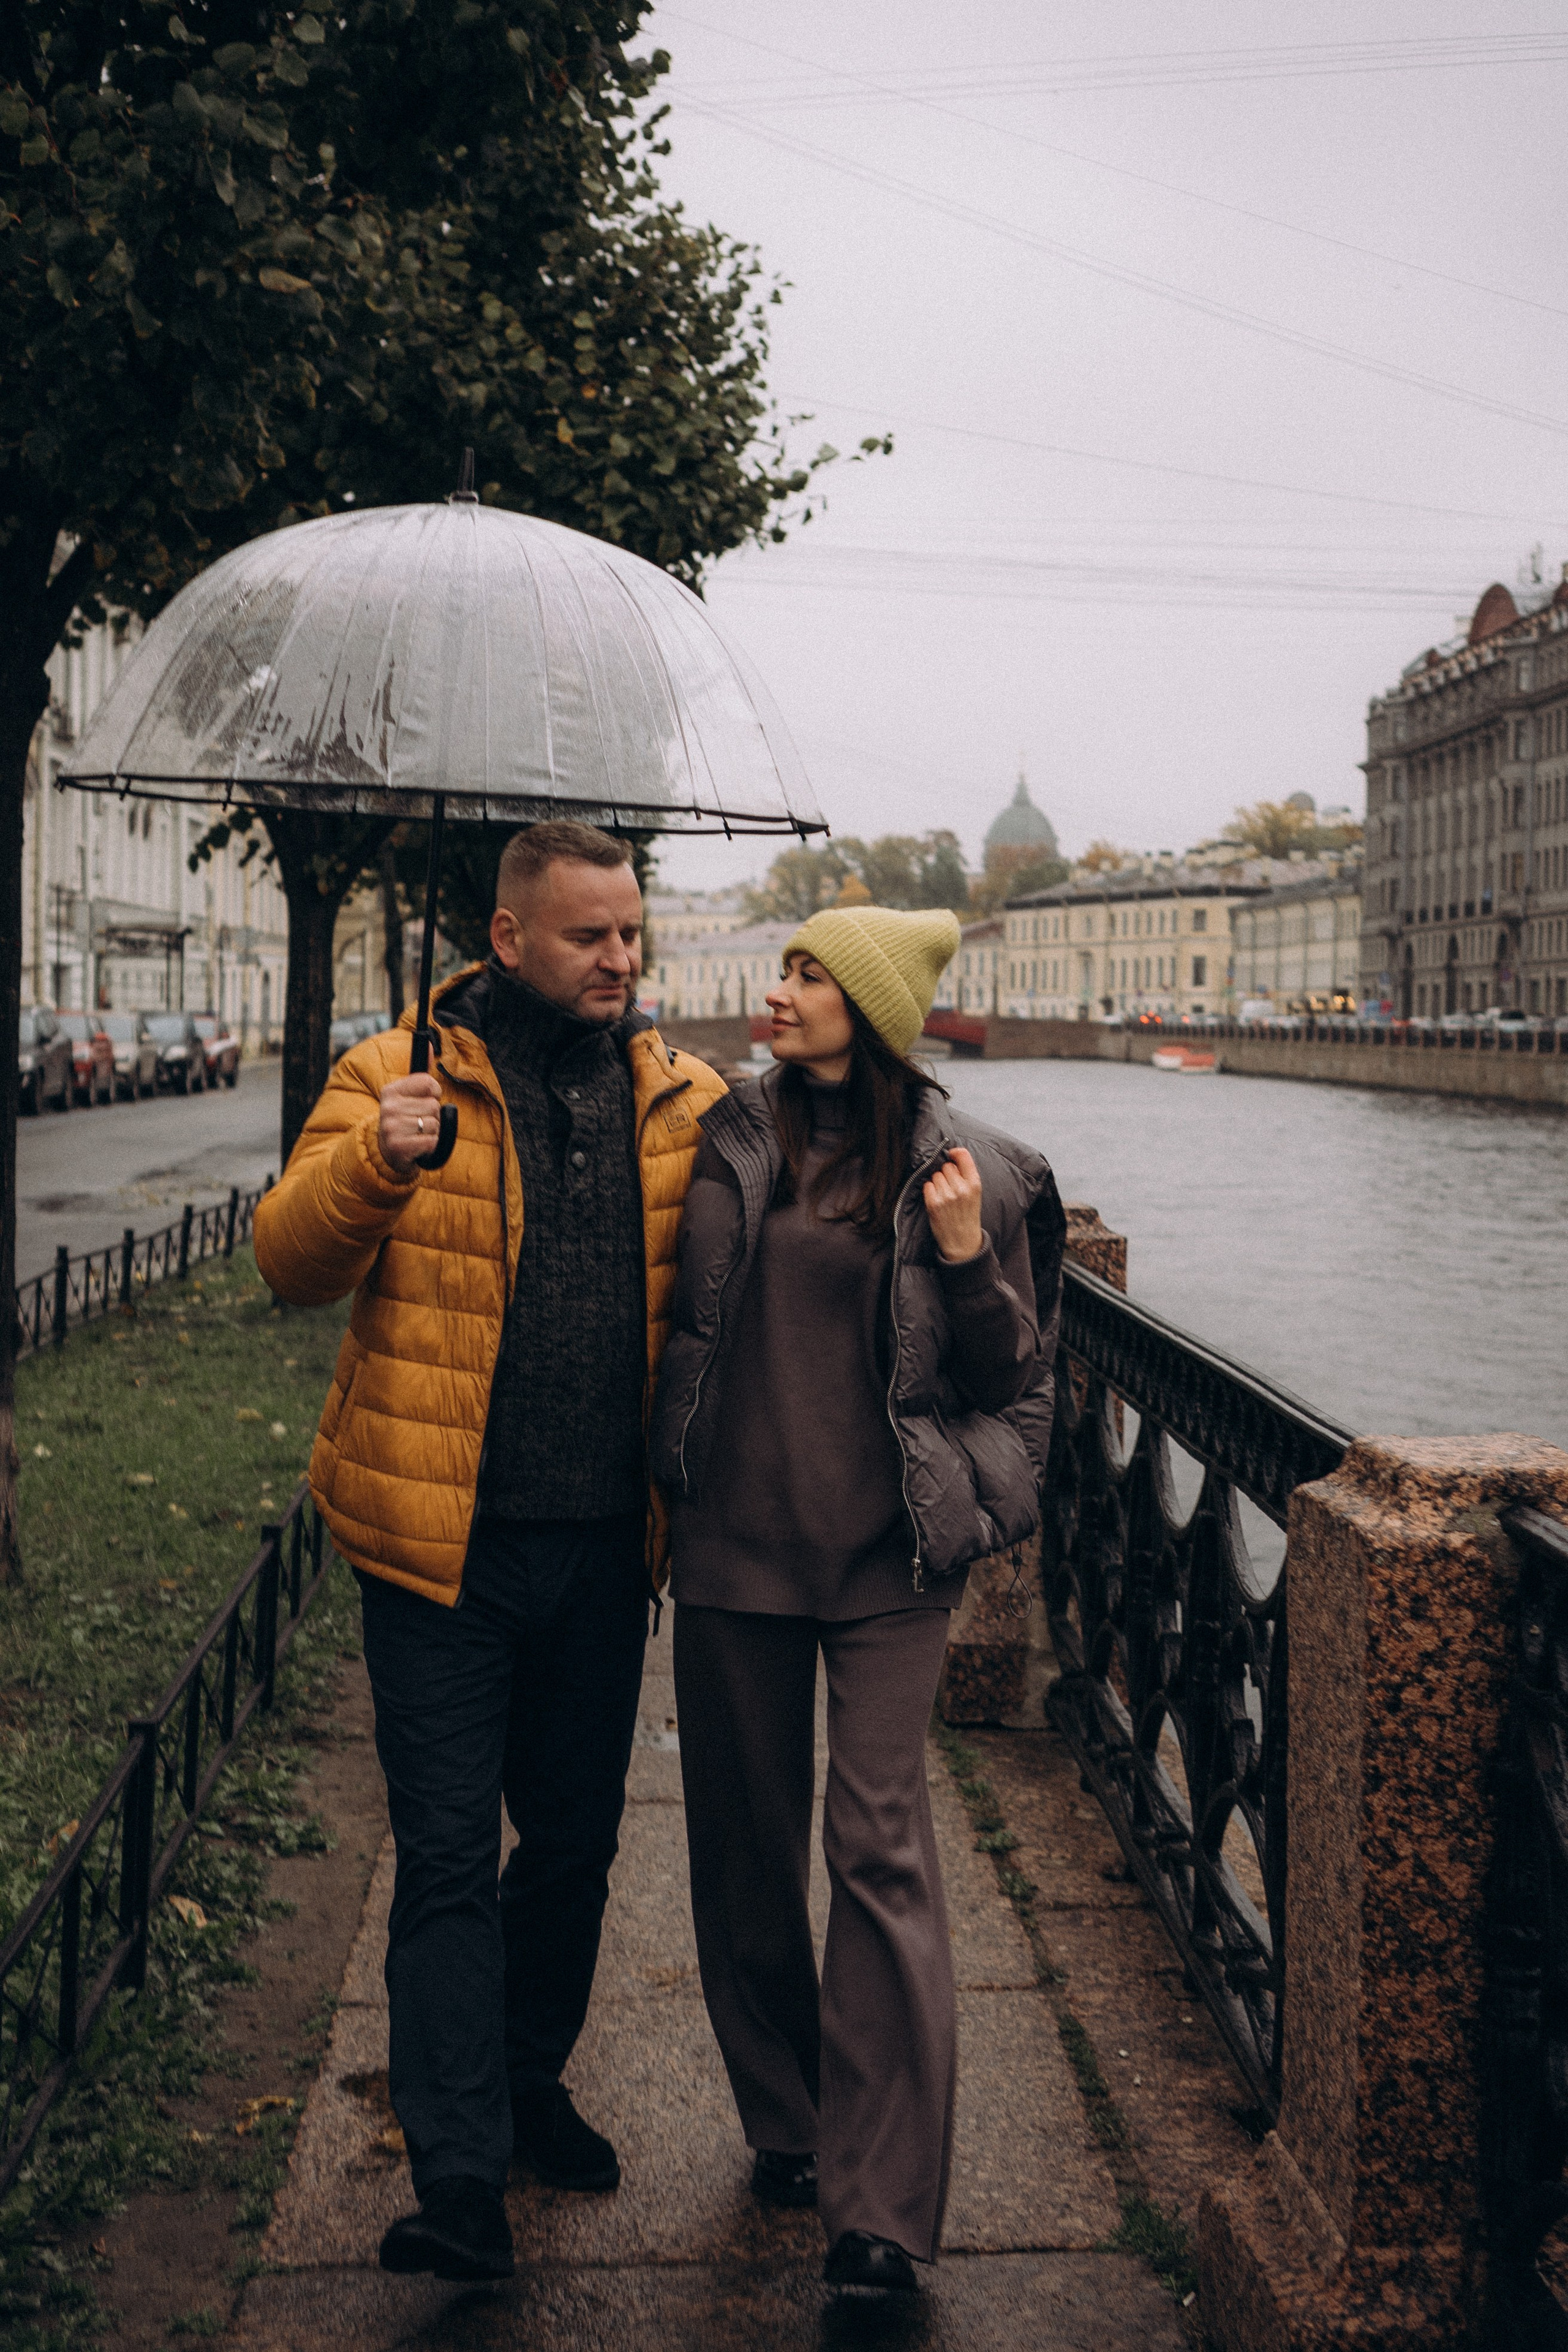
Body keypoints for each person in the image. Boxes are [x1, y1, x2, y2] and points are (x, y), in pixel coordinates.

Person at [253, 820, 726, 2285]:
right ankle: (458, 2176)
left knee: (571, 1851)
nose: (619, 959)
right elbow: (287, 1261)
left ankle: (526, 2080)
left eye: (631, 932)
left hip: (602, 1552)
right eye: (589, 936)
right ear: (509, 939)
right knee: (450, 1857)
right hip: (435, 1553)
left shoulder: (682, 1099)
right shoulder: (396, 1076)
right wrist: (374, 1164)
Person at [649, 903, 1066, 2296]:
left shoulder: (972, 1167)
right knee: (744, 1848)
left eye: (809, 975)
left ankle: (880, 2210)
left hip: (891, 1556)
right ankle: (786, 2119)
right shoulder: (722, 1135)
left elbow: (1011, 1374)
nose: (778, 991)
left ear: (872, 1010)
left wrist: (963, 1253)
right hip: (733, 1542)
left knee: (878, 1850)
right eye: (782, 969)